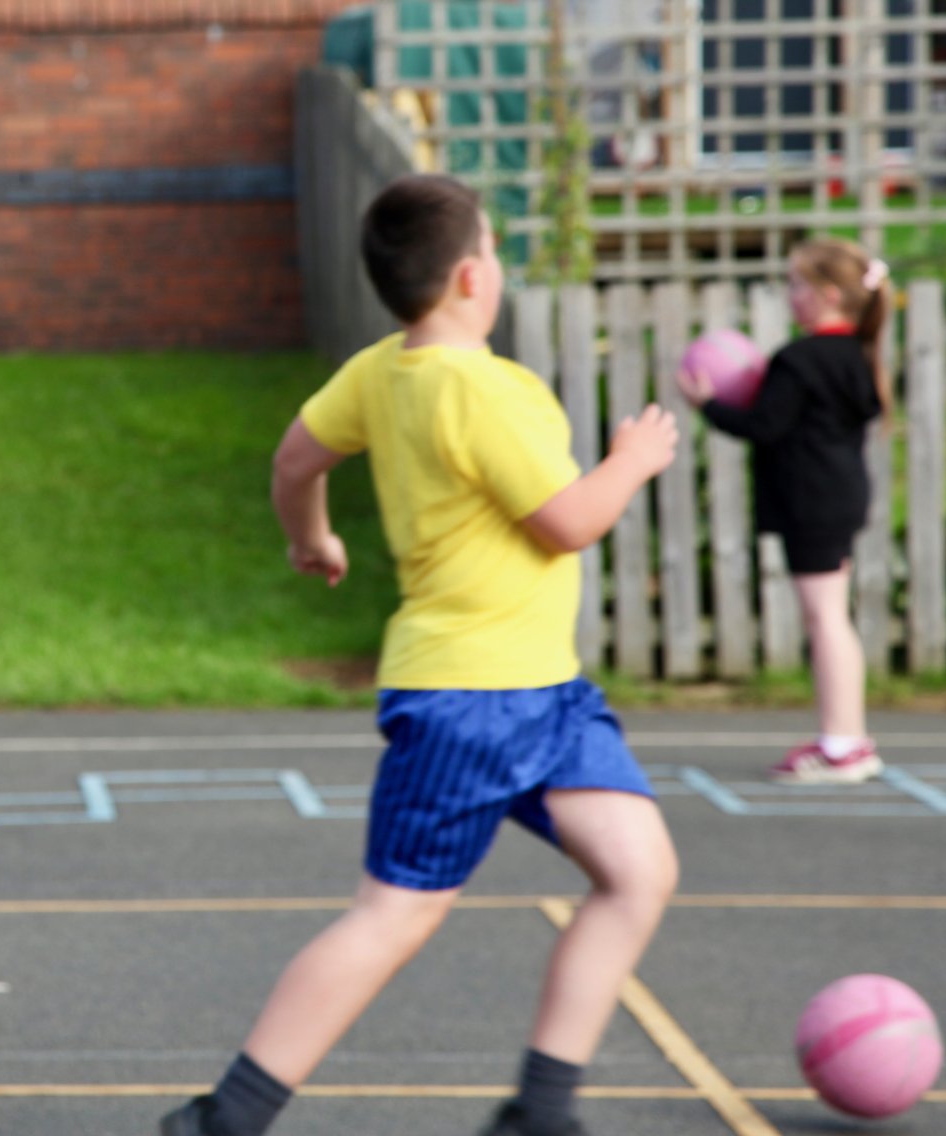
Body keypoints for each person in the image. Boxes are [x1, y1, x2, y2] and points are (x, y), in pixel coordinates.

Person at [160, 173, 681, 1136]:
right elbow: (568, 523)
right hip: (470, 699)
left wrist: (310, 538)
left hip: (548, 697)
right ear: (474, 277)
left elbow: (293, 462)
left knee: (639, 870)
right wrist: (633, 460)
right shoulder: (481, 391)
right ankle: (223, 1119)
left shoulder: (382, 371)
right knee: (393, 915)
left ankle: (543, 1111)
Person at [679, 237, 890, 785]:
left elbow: (762, 427)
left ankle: (843, 743)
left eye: (796, 284)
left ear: (826, 294)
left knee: (826, 620)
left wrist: (707, 405)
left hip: (813, 499)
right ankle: (848, 735)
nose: (790, 294)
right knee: (832, 617)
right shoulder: (856, 355)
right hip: (841, 494)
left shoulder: (799, 360)